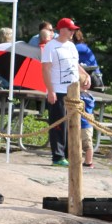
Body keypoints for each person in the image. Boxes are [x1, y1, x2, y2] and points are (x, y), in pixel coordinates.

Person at [41, 17, 81, 167]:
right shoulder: (51, 46)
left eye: (73, 30)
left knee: (72, 123)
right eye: (70, 29)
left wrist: (85, 76)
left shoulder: (71, 46)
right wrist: (50, 90)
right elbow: (45, 69)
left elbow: (74, 64)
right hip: (58, 89)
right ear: (62, 30)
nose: (72, 32)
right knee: (59, 124)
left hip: (73, 91)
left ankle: (69, 154)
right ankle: (57, 156)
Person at [79, 71, 96, 168]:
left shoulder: (78, 95)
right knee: (86, 143)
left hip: (84, 122)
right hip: (88, 123)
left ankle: (89, 161)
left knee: (87, 144)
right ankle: (87, 160)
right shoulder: (91, 96)